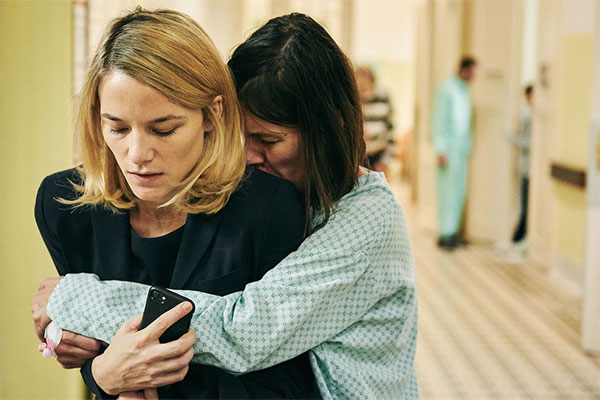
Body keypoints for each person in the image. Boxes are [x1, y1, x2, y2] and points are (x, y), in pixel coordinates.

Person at [32, 12, 419, 399]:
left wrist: (73, 298)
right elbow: (95, 352)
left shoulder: (366, 220)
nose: (248, 156)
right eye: (240, 135)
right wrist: (97, 369)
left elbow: (241, 332)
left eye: (268, 140)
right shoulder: (64, 205)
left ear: (328, 129)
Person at [431, 56, 477, 250]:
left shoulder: (464, 91)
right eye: (472, 72)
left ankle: (453, 232)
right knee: (447, 192)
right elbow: (439, 120)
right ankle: (445, 233)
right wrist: (440, 148)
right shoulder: (447, 89)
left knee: (459, 191)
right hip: (448, 150)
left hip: (461, 150)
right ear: (463, 69)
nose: (473, 76)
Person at [506, 84, 534, 259]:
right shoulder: (526, 115)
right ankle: (516, 240)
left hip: (529, 169)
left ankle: (517, 239)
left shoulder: (532, 116)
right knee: (525, 207)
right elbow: (522, 140)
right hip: (526, 169)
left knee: (527, 207)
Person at [355, 64, 395, 173]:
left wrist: (385, 161)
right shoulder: (353, 102)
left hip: (378, 156)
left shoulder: (383, 99)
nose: (362, 87)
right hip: (358, 158)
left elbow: (390, 132)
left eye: (365, 83)